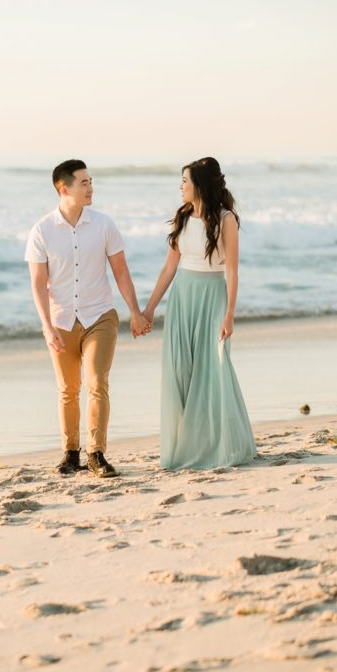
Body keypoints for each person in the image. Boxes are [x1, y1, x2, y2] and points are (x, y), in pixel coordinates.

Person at [26, 160, 150, 478]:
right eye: (84, 182)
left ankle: (96, 453)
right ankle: (71, 453)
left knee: (97, 382)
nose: (90, 187)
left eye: (91, 181)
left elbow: (121, 272)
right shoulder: (42, 230)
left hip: (100, 317)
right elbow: (39, 284)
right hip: (61, 320)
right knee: (68, 389)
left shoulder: (104, 225)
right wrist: (46, 326)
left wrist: (135, 312)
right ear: (64, 189)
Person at [142, 157, 256, 469]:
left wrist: (230, 313)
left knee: (212, 372)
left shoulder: (226, 219)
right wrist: (150, 308)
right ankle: (185, 443)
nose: (180, 187)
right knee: (180, 371)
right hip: (182, 298)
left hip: (212, 298)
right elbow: (169, 267)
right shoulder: (181, 216)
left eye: (185, 181)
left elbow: (232, 270)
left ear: (199, 186)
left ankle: (217, 446)